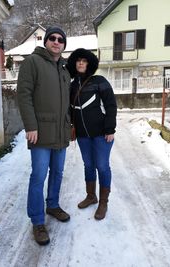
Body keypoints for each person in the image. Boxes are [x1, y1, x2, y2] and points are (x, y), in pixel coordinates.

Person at [17, 26, 71, 246]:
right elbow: (24, 95)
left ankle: (53, 205)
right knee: (38, 176)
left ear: (64, 44)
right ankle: (38, 221)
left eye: (60, 39)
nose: (56, 42)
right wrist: (30, 126)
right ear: (46, 41)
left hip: (61, 132)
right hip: (40, 133)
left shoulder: (65, 69)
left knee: (57, 172)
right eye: (52, 38)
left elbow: (67, 103)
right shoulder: (33, 62)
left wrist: (71, 126)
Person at [67, 48, 117, 220]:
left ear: (89, 63)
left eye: (84, 60)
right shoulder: (72, 85)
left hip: (102, 134)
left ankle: (103, 201)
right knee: (88, 165)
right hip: (82, 135)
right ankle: (91, 196)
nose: (81, 63)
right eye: (78, 60)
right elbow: (68, 109)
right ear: (74, 63)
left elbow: (111, 105)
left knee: (102, 166)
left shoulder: (99, 81)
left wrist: (110, 128)